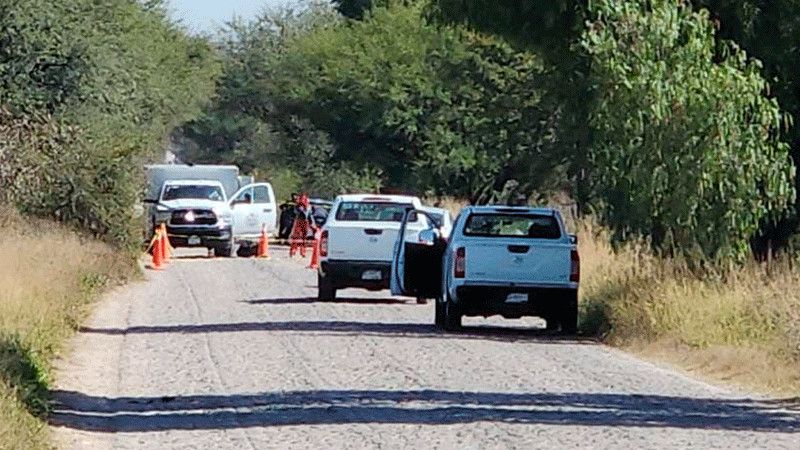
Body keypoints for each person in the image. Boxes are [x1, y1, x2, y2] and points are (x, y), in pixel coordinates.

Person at [289, 193, 312, 257]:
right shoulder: (302, 203)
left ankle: (298, 251)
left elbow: (308, 212)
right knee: (300, 237)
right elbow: (308, 213)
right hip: (302, 220)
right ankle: (297, 251)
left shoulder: (304, 203)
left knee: (301, 237)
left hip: (302, 220)